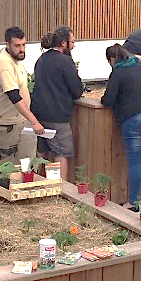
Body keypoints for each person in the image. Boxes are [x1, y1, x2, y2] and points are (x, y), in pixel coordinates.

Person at [101, 44, 141, 212]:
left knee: (135, 161)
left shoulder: (118, 71)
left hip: (134, 118)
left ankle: (133, 202)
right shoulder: (138, 66)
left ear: (112, 59)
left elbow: (108, 99)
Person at [31, 26, 84, 177]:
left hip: (39, 116)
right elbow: (76, 90)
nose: (73, 45)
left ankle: (38, 184)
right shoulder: (65, 61)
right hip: (58, 116)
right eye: (72, 42)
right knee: (61, 153)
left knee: (41, 154)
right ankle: (61, 192)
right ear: (63, 43)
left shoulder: (41, 60)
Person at [0, 26, 44, 165]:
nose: (22, 49)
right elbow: (14, 96)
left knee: (28, 163)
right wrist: (35, 121)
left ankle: (27, 184)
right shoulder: (5, 64)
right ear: (8, 44)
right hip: (7, 123)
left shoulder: (5, 54)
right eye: (17, 46)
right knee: (7, 167)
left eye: (24, 44)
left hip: (22, 119)